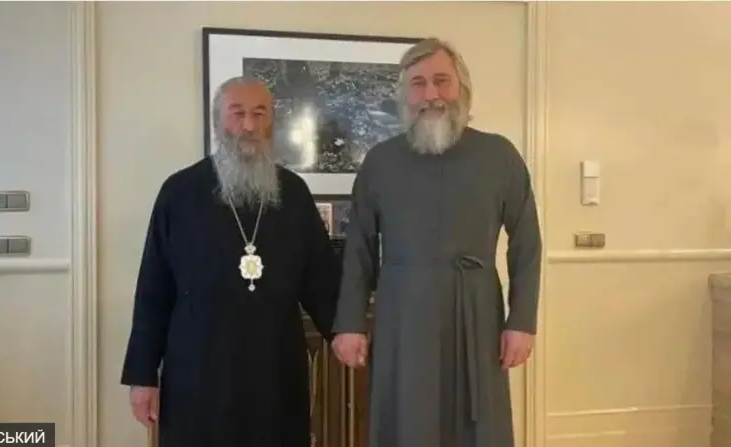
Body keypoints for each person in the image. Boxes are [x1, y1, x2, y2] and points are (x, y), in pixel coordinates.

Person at [331, 38, 542, 447]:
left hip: (476, 313)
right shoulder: (380, 161)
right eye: (419, 83)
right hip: (402, 315)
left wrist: (521, 322)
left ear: (462, 87)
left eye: (442, 81)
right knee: (407, 419)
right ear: (404, 94)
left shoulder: (499, 155)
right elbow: (358, 247)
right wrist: (351, 323)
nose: (431, 94)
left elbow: (527, 243)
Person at [120, 76, 341, 447]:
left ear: (272, 122)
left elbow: (321, 280)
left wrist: (345, 332)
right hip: (198, 368)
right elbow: (153, 290)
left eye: (260, 113)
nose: (249, 125)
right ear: (217, 122)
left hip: (275, 368)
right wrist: (143, 377)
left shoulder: (293, 193)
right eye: (237, 113)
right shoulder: (180, 192)